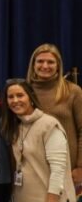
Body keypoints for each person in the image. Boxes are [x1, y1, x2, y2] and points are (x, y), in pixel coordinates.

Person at [2, 80, 80, 202]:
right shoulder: (18, 125)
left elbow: (58, 169)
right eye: (10, 97)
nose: (15, 100)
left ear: (31, 97)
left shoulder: (48, 124)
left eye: (20, 95)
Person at [26, 44, 82, 188]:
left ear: (58, 65)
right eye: (40, 61)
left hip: (66, 169)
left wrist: (80, 166)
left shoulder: (73, 91)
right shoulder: (24, 92)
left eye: (50, 62)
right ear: (33, 64)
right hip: (32, 169)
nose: (45, 66)